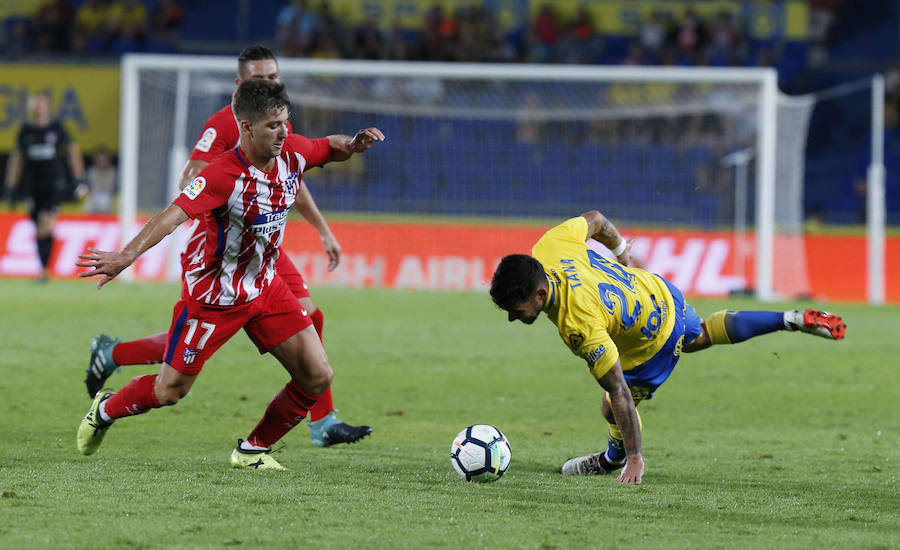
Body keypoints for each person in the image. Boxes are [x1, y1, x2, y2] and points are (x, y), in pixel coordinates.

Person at [76, 79, 385, 469]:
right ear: (246, 127)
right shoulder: (224, 176)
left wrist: (353, 145)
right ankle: (105, 410)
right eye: (272, 126)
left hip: (265, 287)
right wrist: (126, 254)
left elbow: (329, 146)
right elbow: (171, 216)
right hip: (214, 298)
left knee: (317, 375)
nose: (282, 132)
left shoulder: (292, 151)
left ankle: (253, 450)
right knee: (170, 391)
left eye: (285, 123)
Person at [489, 211, 846, 485]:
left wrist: (635, 456)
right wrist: (620, 250)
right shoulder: (550, 245)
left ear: (538, 294)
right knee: (701, 334)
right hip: (658, 293)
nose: (512, 318)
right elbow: (596, 219)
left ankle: (611, 459)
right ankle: (789, 318)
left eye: (514, 310)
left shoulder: (577, 325)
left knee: (610, 406)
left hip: (651, 341)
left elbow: (619, 390)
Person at [4, 92, 85, 282]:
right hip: (33, 187)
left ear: (47, 107)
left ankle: (45, 271)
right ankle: (44, 269)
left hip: (54, 184)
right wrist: (10, 187)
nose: (39, 108)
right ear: (31, 108)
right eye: (35, 105)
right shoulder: (26, 131)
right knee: (39, 227)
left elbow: (73, 151)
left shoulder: (56, 129)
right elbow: (18, 160)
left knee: (46, 223)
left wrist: (79, 179)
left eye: (41, 104)